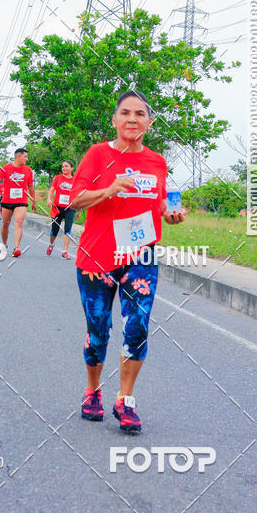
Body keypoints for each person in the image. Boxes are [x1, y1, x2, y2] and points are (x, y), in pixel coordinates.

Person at [69, 91, 185, 434]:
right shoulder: (98, 154)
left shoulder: (157, 162)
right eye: (125, 113)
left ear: (149, 123)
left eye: (140, 114)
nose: (132, 118)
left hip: (141, 257)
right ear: (115, 120)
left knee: (137, 328)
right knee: (98, 331)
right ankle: (92, 392)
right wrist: (110, 187)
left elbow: (159, 203)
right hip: (97, 257)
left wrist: (171, 213)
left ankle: (126, 399)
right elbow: (75, 200)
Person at [0, 149, 36, 257]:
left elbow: (30, 186)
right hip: (7, 200)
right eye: (25, 156)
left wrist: (33, 201)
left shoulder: (28, 170)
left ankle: (16, 248)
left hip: (21, 200)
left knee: (19, 222)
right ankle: (4, 244)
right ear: (18, 156)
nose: (27, 158)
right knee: (5, 224)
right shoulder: (6, 168)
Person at [46, 160, 76, 259]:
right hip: (57, 208)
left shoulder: (76, 180)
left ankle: (65, 251)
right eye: (62, 166)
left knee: (68, 228)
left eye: (66, 166)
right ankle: (51, 244)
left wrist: (79, 209)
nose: (64, 168)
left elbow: (79, 195)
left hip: (70, 208)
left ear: (72, 168)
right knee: (54, 230)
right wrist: (49, 199)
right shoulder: (58, 178)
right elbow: (52, 189)